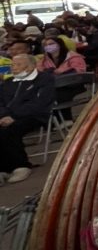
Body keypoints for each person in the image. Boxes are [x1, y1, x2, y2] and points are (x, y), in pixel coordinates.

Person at [0, 53, 56, 184]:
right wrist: (4, 115)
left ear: (31, 66)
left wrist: (14, 116)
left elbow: (39, 103)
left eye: (18, 64)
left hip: (34, 115)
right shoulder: (7, 83)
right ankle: (3, 168)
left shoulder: (44, 79)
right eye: (12, 65)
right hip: (7, 116)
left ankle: (21, 165)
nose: (13, 67)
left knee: (10, 130)